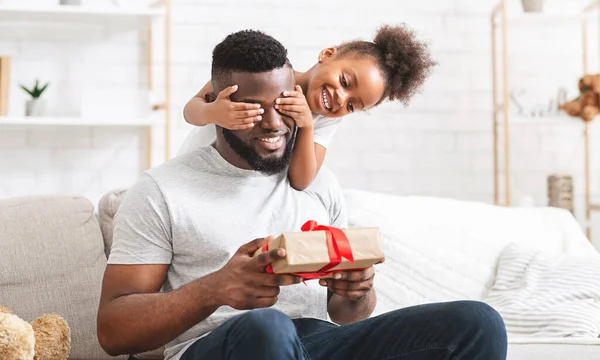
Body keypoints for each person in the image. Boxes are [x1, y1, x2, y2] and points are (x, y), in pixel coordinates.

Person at [97, 30, 508, 360]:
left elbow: (346, 317)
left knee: (478, 321)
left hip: (319, 343)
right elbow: (113, 330)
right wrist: (216, 289)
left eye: (284, 105)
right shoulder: (160, 190)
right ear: (224, 104)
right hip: (223, 344)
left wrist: (356, 291)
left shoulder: (319, 184)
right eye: (255, 109)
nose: (275, 124)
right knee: (266, 327)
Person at [179, 25, 436, 191]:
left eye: (352, 105)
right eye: (345, 82)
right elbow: (191, 110)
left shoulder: (324, 121)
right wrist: (213, 113)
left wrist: (306, 124)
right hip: (197, 167)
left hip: (236, 184)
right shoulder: (267, 75)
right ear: (327, 55)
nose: (340, 99)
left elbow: (301, 180)